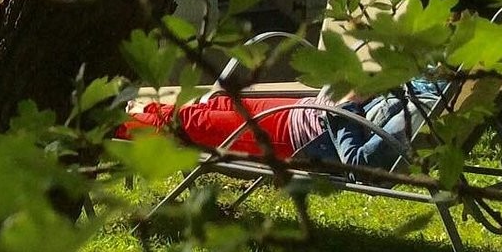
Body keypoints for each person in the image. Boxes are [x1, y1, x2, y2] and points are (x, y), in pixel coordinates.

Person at [122, 77, 446, 171]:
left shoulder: (419, 112)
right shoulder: (430, 86)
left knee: (194, 124)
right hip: (304, 111)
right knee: (216, 103)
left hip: (296, 137)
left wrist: (348, 103)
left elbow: (360, 163)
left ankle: (115, 124)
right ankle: (137, 107)